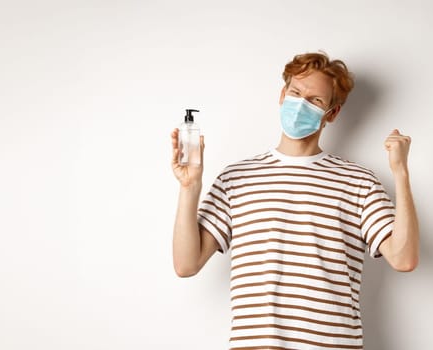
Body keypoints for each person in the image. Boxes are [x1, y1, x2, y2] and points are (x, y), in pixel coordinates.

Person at [170, 51, 420, 349]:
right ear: (282, 94)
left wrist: (401, 173)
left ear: (332, 113)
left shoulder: (359, 182)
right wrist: (190, 187)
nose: (300, 105)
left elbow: (403, 258)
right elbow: (186, 264)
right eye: (296, 93)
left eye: (315, 100)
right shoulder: (236, 177)